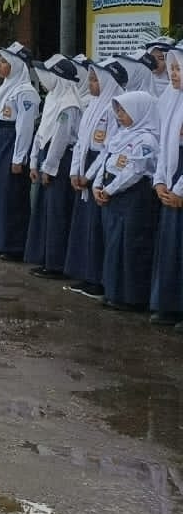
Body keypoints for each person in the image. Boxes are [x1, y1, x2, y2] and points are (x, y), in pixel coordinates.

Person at [65, 57, 131, 296]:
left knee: (96, 226)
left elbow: (107, 148)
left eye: (95, 80)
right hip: (85, 164)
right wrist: (75, 171)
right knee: (84, 225)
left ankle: (97, 279)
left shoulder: (114, 108)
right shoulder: (92, 106)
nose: (91, 84)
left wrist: (90, 176)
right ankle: (86, 273)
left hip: (98, 170)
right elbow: (81, 142)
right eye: (91, 79)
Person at [91, 90, 159, 312]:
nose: (119, 115)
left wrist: (109, 189)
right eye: (118, 110)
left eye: (124, 111)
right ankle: (114, 291)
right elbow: (107, 160)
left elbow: (135, 171)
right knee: (114, 243)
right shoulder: (122, 134)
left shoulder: (147, 139)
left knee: (131, 245)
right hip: (113, 194)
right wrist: (97, 185)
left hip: (133, 196)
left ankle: (132, 297)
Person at [24, 55, 83, 278]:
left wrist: (49, 168)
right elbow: (42, 132)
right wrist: (34, 161)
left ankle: (57, 264)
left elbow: (61, 138)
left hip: (59, 161)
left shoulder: (69, 104)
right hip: (46, 157)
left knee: (57, 212)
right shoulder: (52, 98)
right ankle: (45, 258)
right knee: (44, 211)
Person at [0, 42, 39, 260]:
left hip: (10, 144)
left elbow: (24, 127)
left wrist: (18, 157)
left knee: (9, 195)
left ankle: (13, 245)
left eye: (4, 62)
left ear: (16, 65)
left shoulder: (26, 92)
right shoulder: (1, 90)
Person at [150, 45, 183, 326]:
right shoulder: (171, 99)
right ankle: (168, 306)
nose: (173, 73)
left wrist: (180, 190)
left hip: (180, 187)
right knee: (171, 250)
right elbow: (163, 145)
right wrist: (159, 180)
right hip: (170, 183)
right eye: (172, 68)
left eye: (178, 68)